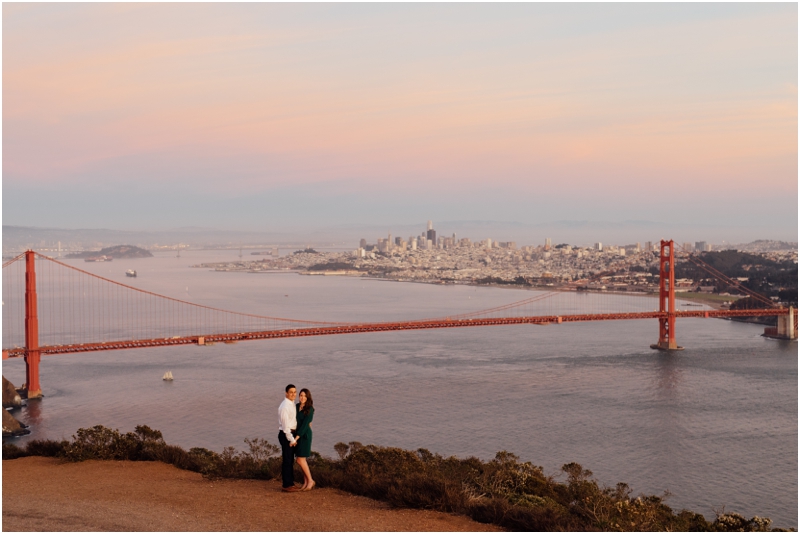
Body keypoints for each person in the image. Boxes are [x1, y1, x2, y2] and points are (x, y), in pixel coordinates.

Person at [278, 384, 299, 492]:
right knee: (287, 460)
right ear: (286, 393)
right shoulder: (285, 406)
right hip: (287, 435)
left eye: (295, 392)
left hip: (291, 434)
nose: (293, 394)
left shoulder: (291, 404)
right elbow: (286, 427)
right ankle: (286, 485)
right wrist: (292, 439)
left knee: (290, 460)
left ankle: (290, 483)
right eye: (291, 392)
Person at [294, 388, 315, 491]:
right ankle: (306, 482)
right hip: (297, 435)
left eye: (304, 396)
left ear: (308, 398)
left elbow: (305, 425)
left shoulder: (310, 409)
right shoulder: (296, 406)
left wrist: (297, 437)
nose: (302, 398)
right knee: (301, 460)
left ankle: (310, 480)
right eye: (301, 395)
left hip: (304, 435)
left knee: (300, 459)